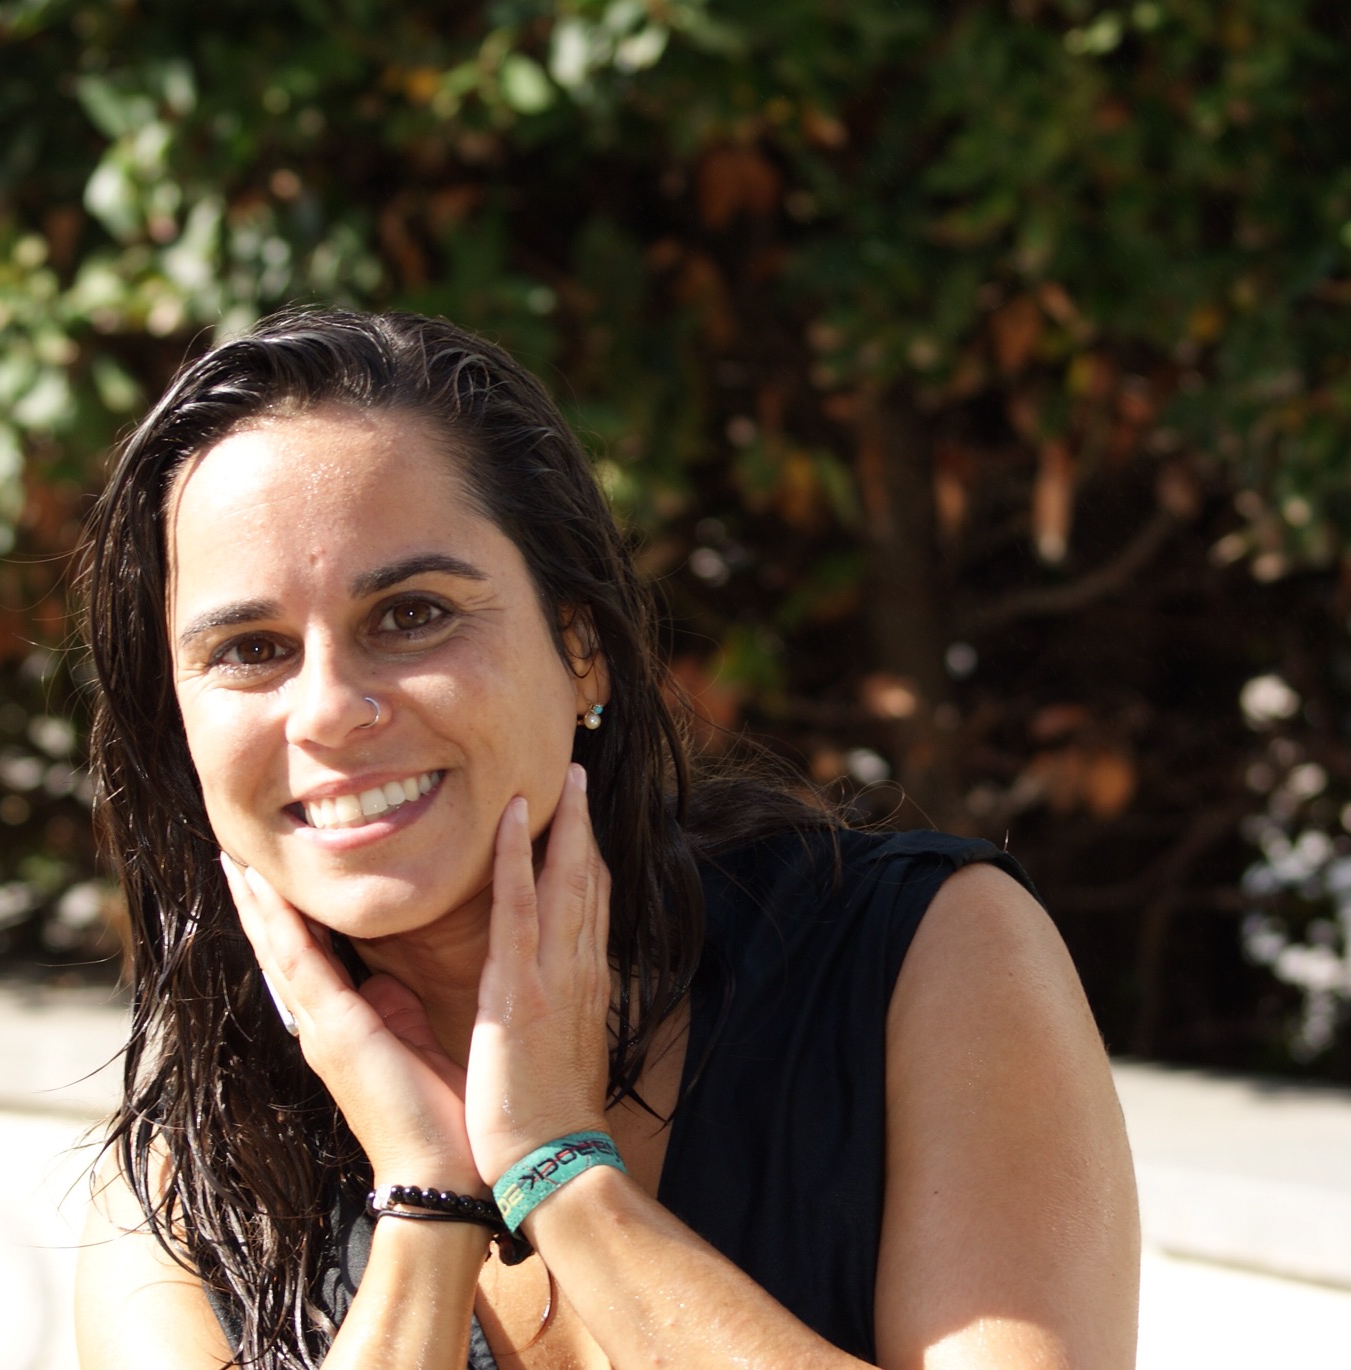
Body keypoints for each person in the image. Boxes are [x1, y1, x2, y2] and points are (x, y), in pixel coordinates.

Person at [72, 309, 1138, 1369]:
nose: (328, 710)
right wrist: (427, 1204)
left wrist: (560, 1171)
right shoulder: (184, 1187)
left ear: (580, 648)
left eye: (410, 614)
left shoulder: (926, 959)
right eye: (249, 649)